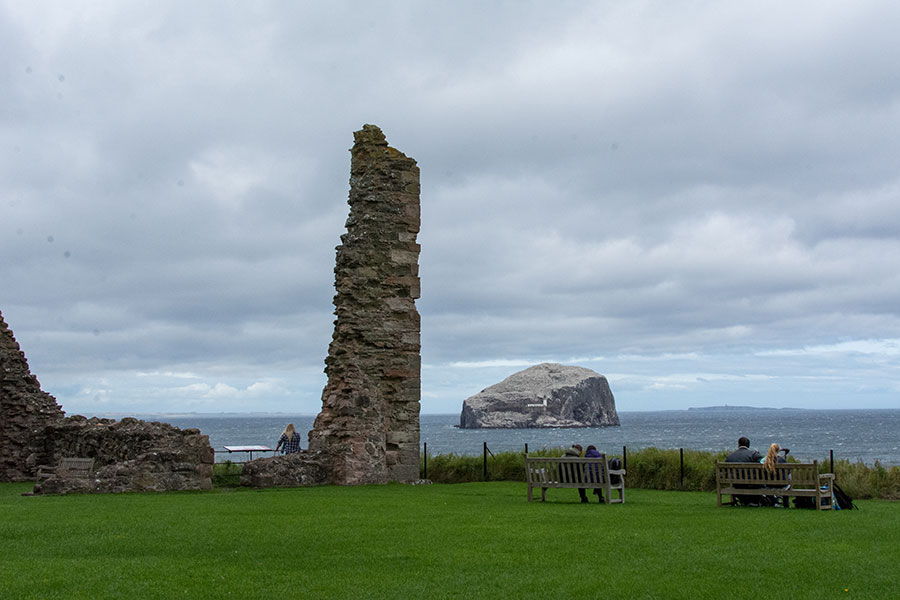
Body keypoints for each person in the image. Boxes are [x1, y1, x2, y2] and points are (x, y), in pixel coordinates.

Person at [725, 436, 763, 505]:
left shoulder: (730, 457)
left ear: (738, 444)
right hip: (752, 484)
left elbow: (726, 472)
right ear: (748, 445)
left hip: (736, 484)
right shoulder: (753, 454)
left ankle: (746, 501)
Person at [762, 443, 790, 507]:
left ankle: (774, 502)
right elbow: (788, 472)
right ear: (778, 451)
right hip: (782, 485)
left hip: (769, 485)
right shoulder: (782, 460)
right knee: (789, 479)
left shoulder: (766, 461)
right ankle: (786, 503)